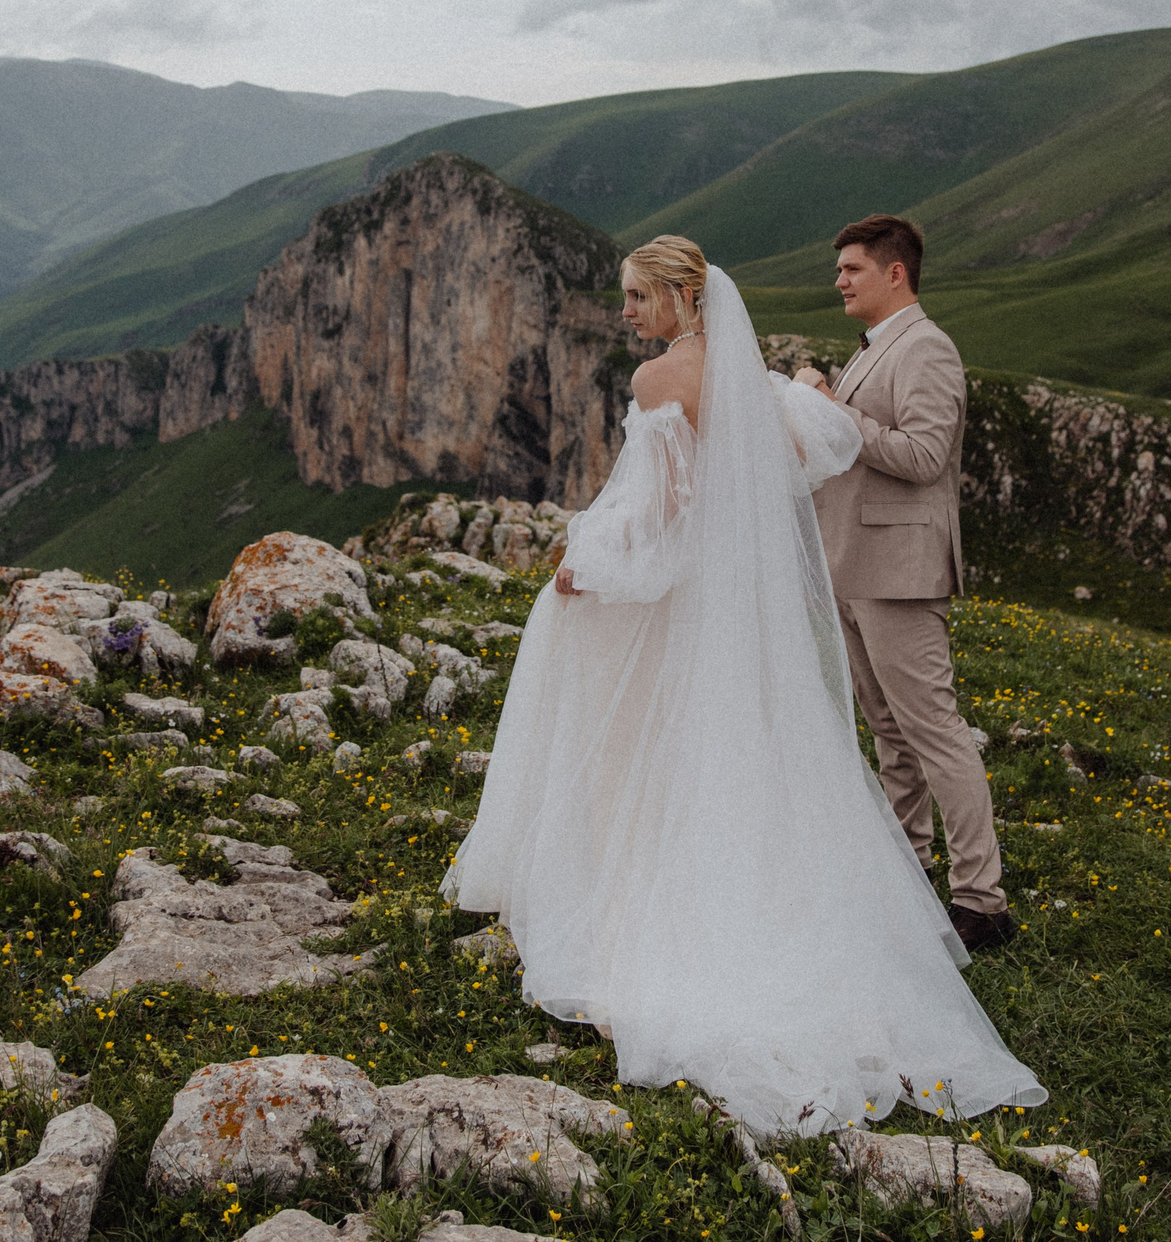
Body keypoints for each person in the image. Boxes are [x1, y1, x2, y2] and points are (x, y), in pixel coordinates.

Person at [446, 234, 1043, 1136]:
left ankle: (968, 892)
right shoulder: (749, 380)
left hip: (705, 592)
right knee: (753, 746)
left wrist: (592, 562)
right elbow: (796, 460)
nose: (627, 316)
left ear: (680, 298)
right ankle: (887, 889)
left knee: (668, 739)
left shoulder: (658, 383)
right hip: (738, 593)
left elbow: (668, 505)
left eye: (638, 298)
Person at [793, 214, 1014, 954]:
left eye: (852, 268)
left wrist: (832, 411)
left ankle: (982, 899)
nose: (840, 280)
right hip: (854, 563)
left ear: (896, 272)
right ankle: (909, 866)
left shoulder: (928, 349)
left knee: (935, 731)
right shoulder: (872, 351)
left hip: (900, 570)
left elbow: (923, 456)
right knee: (889, 731)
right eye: (838, 269)